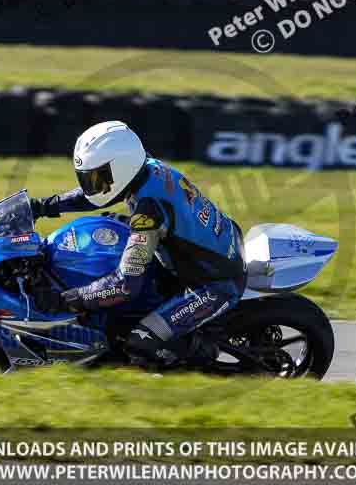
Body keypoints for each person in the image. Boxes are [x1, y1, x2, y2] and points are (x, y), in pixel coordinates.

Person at [31, 120, 247, 367]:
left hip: (214, 286)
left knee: (138, 342)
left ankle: (200, 359)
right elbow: (98, 197)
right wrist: (44, 206)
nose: (92, 185)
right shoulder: (146, 168)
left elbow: (125, 284)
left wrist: (66, 299)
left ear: (121, 167)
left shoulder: (148, 210)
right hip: (206, 251)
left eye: (97, 177)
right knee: (109, 223)